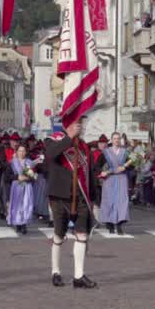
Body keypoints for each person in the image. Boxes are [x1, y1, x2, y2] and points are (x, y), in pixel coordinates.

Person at [45, 118, 97, 289]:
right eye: (76, 122)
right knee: (59, 235)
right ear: (67, 124)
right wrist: (68, 138)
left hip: (80, 196)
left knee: (82, 234)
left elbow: (89, 173)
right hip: (60, 196)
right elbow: (51, 155)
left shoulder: (84, 146)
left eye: (81, 122)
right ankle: (56, 271)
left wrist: (94, 198)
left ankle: (78, 276)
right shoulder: (54, 139)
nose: (79, 126)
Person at [98, 132, 131, 235]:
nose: (116, 140)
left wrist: (125, 167)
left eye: (118, 138)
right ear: (111, 140)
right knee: (109, 201)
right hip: (109, 180)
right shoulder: (105, 152)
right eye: (114, 138)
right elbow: (97, 166)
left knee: (121, 202)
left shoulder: (125, 152)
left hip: (121, 179)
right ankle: (110, 225)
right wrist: (102, 172)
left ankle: (119, 225)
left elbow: (132, 165)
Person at [7, 143, 35, 234]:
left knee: (26, 204)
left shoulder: (29, 162)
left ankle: (24, 224)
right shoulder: (12, 163)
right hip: (16, 186)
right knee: (17, 205)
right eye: (20, 151)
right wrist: (17, 177)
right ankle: (18, 224)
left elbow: (33, 176)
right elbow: (7, 177)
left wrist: (28, 178)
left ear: (26, 152)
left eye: (23, 151)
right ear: (16, 152)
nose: (21, 153)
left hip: (27, 186)